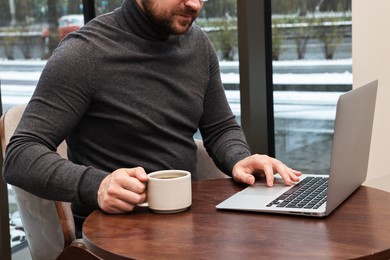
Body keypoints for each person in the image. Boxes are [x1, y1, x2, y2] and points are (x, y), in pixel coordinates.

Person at [3, 0, 301, 236]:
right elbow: (19, 155)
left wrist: (239, 158)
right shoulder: (84, 54)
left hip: (189, 223)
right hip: (114, 234)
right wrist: (97, 184)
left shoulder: (199, 46)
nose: (195, 5)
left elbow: (220, 127)